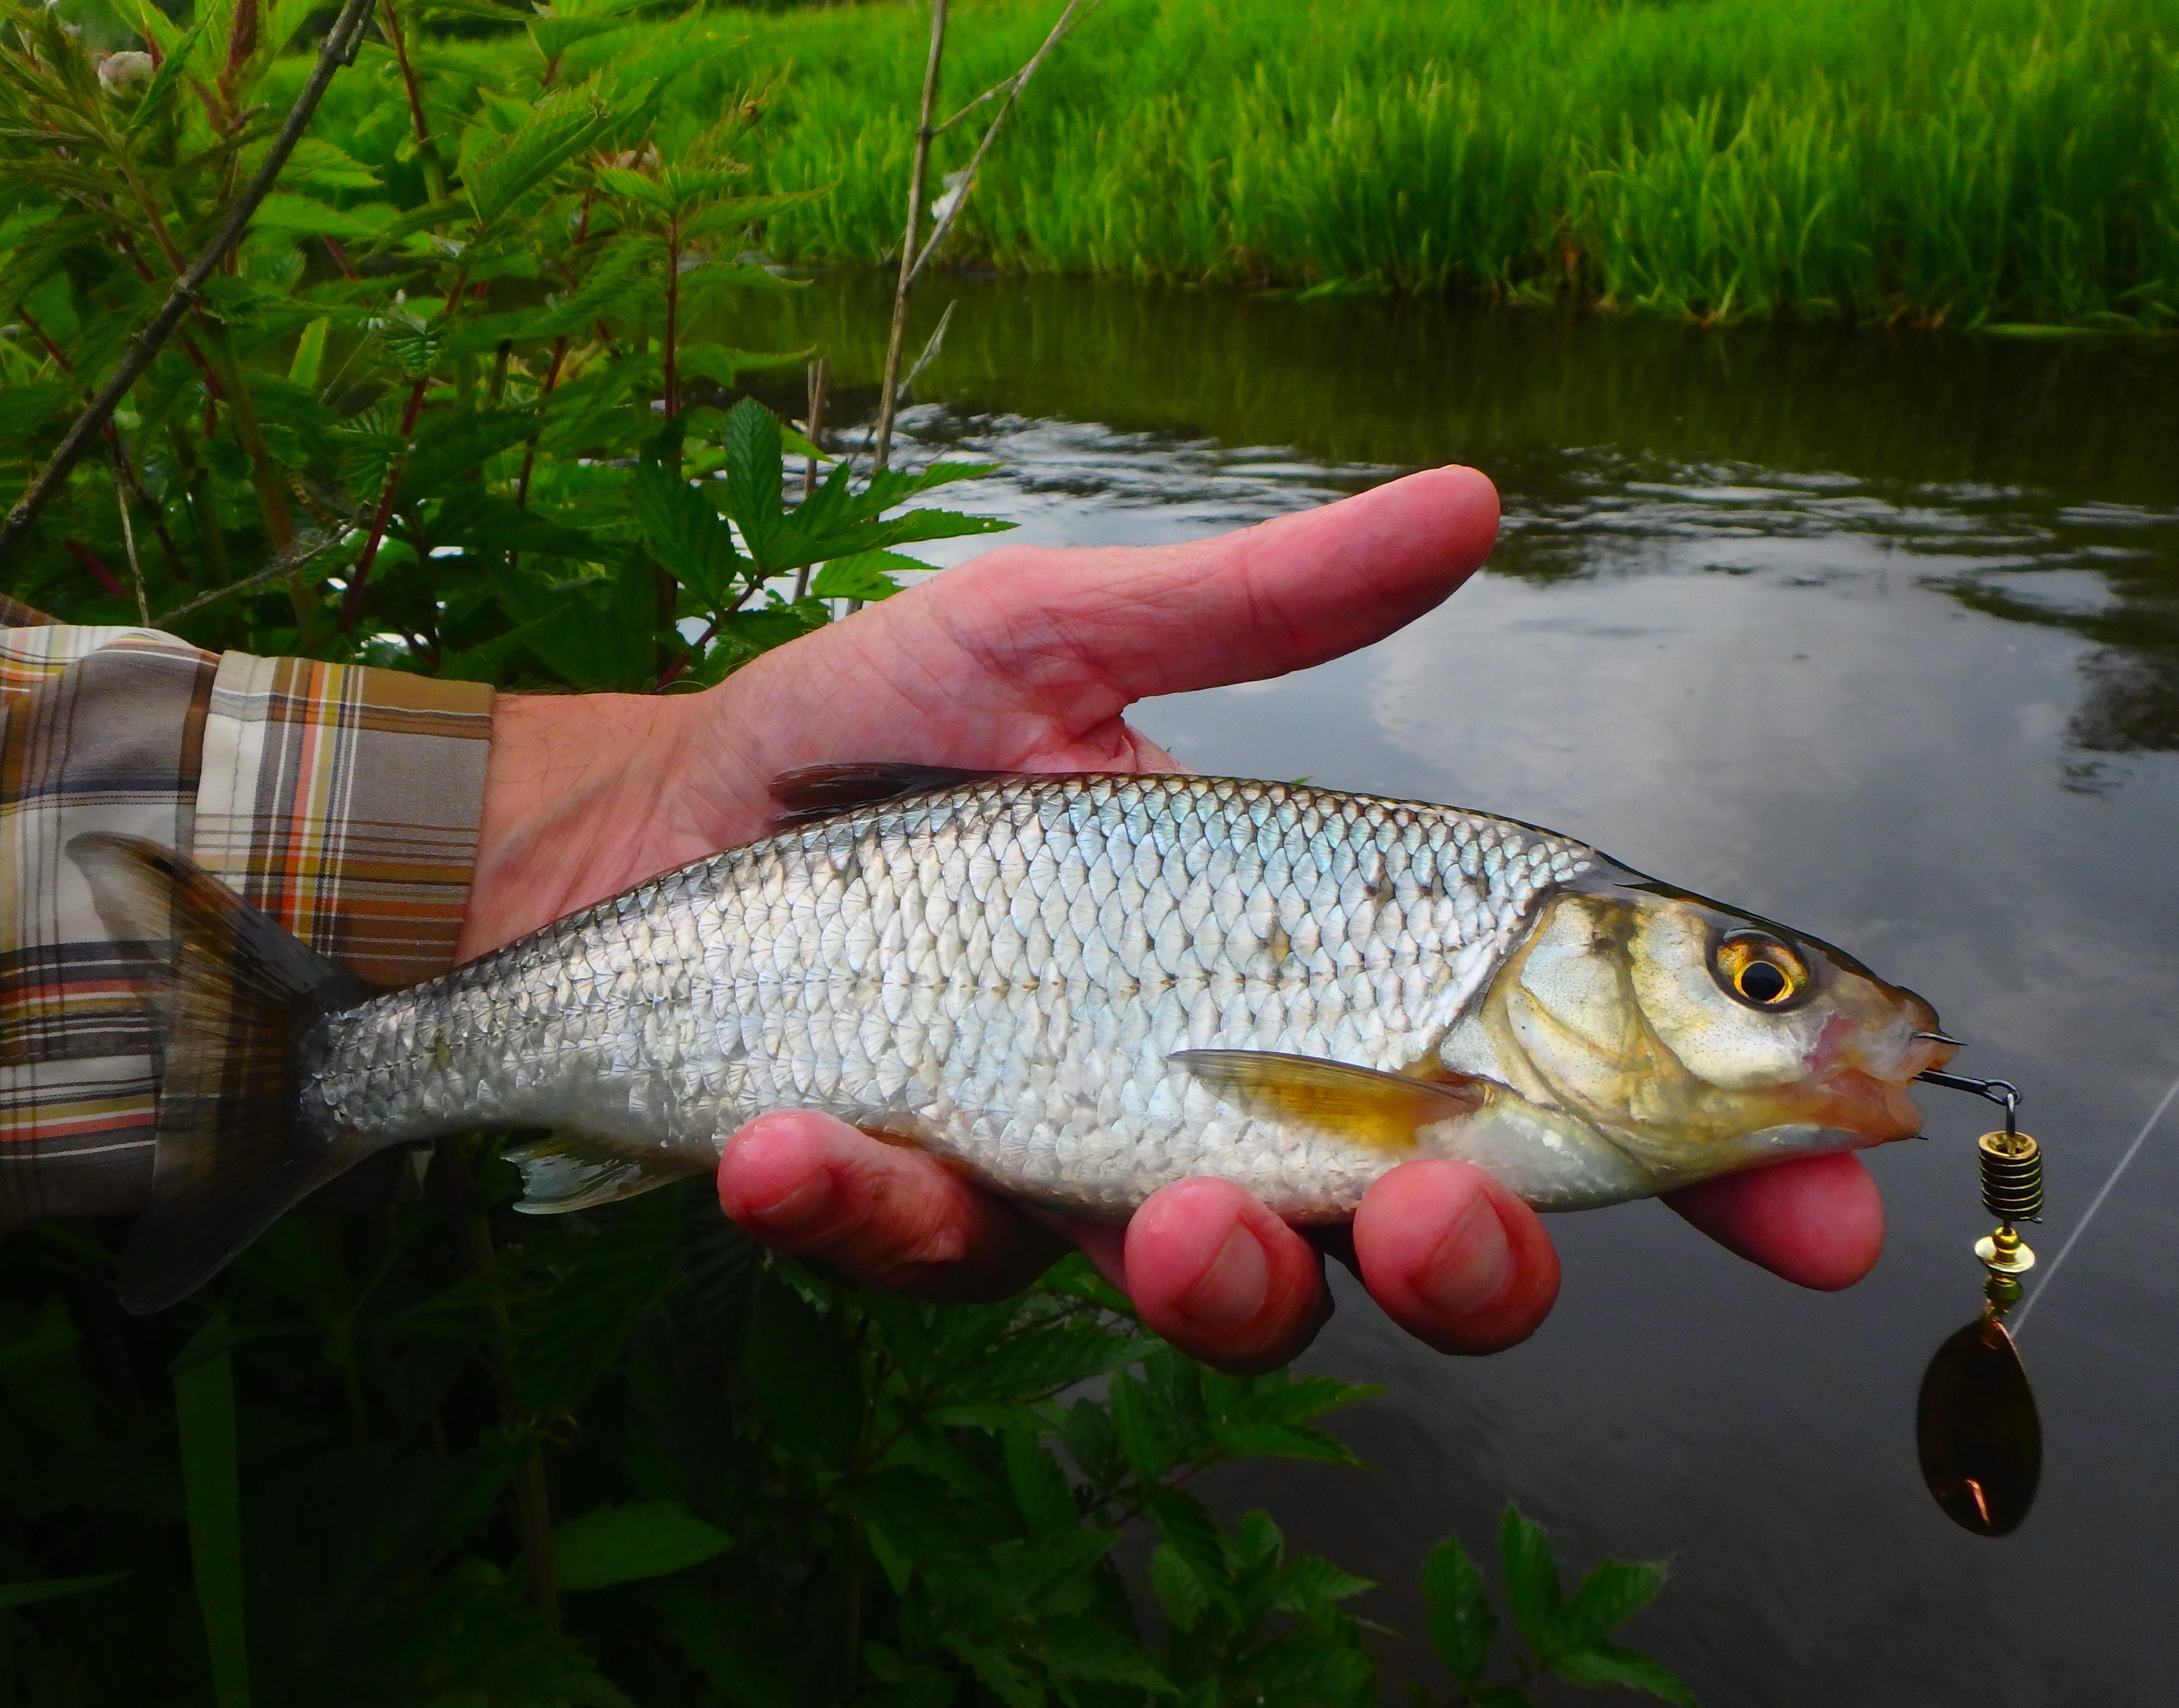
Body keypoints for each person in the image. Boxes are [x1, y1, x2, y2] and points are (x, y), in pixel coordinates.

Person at [0, 465, 1882, 1368]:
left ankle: (333, 1069)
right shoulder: (1473, 987)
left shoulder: (1491, 985)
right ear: (1573, 953)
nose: (1800, 1016)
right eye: (1757, 977)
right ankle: (327, 1073)